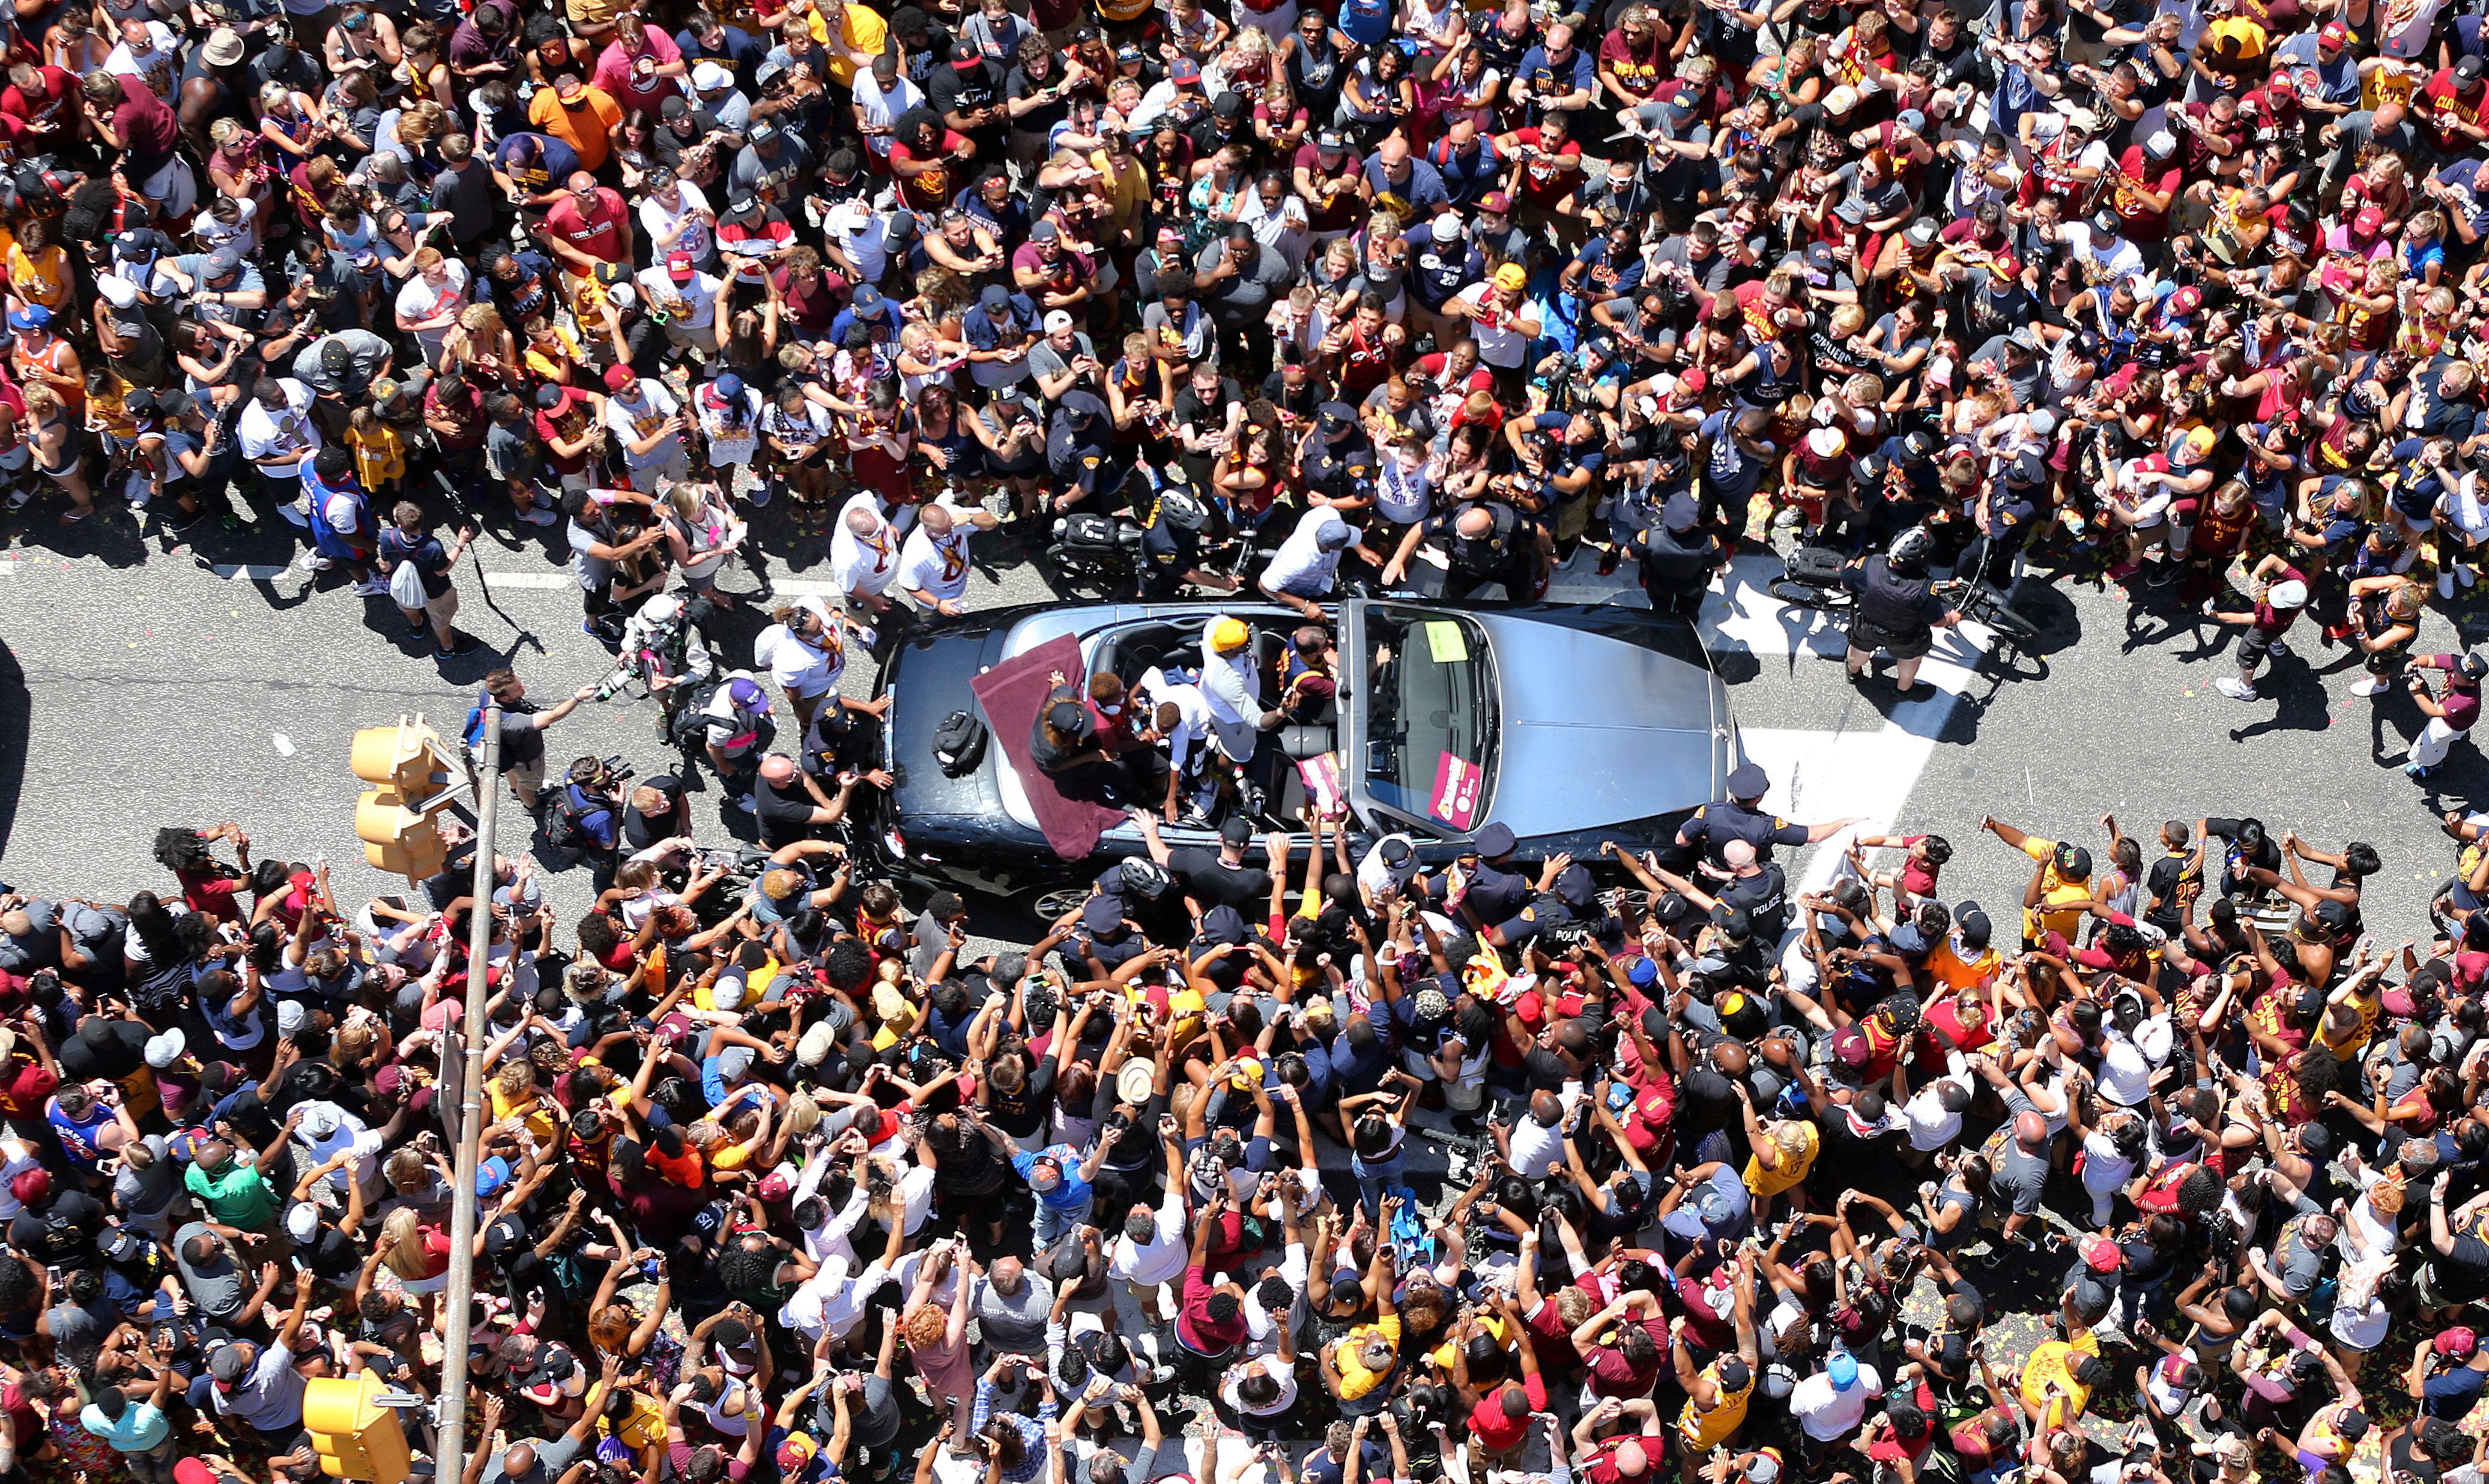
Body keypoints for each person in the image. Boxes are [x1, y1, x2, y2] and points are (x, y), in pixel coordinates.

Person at [1842, 527, 1960, 695]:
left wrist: (1851, 568)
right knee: (1910, 659)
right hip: (1905, 635)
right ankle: (1904, 690)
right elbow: (1936, 620)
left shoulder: (1868, 565)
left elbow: (1846, 586)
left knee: (1859, 649)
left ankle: (1853, 673)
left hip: (1866, 625)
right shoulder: (1923, 588)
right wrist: (1951, 618)